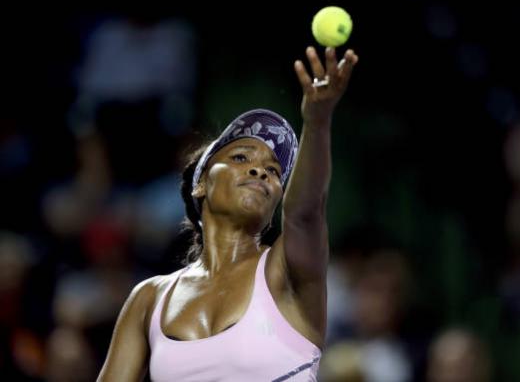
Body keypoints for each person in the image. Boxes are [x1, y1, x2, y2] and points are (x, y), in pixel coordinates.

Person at [97, 45, 358, 381]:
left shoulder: (287, 271)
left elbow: (305, 212)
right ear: (201, 184)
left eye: (274, 171)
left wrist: (318, 121)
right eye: (240, 158)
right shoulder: (150, 298)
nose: (260, 171)